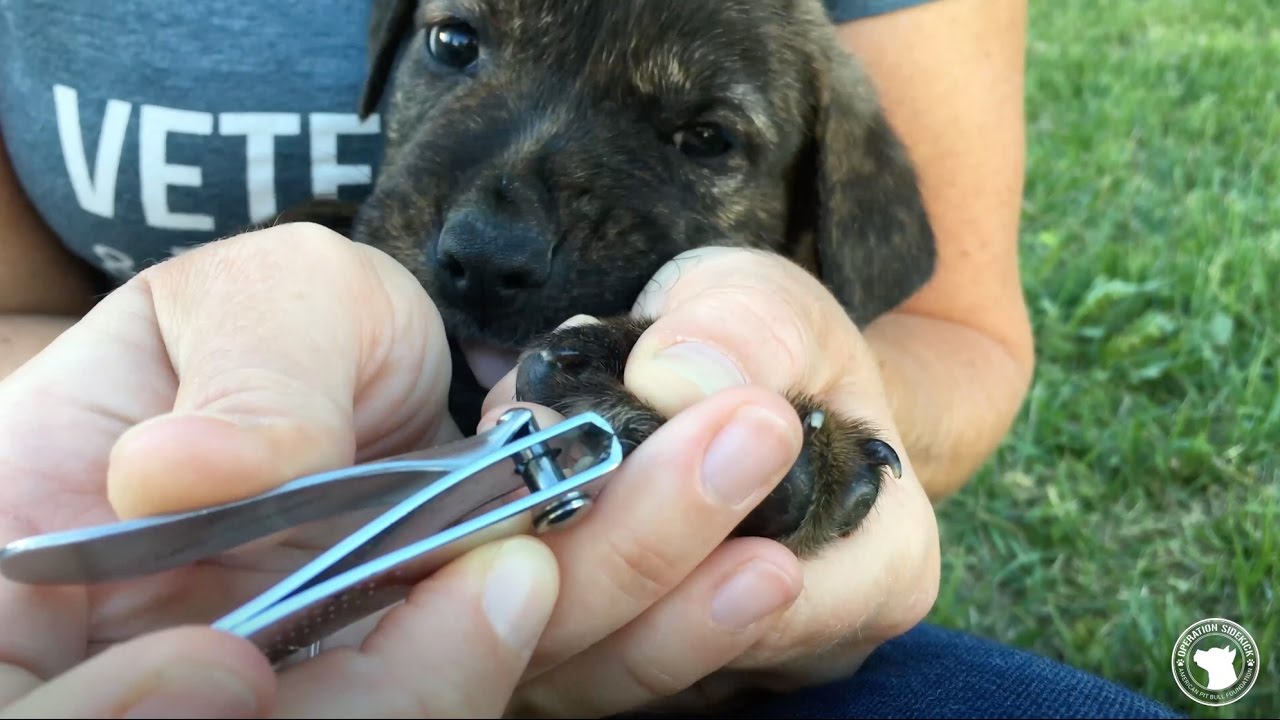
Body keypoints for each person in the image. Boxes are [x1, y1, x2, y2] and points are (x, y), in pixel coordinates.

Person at [0, 0, 1184, 717]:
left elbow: (954, 334)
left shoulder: (836, 132)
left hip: (696, 672)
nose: (496, 232)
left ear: (820, 208)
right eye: (457, 42)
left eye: (702, 137)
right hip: (159, 597)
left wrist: (812, 421)